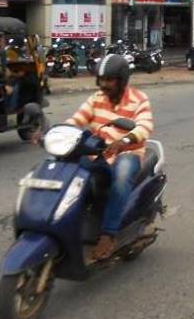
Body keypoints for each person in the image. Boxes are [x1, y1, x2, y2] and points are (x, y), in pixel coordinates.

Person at [66, 54, 154, 261]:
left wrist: (124, 141)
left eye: (109, 80)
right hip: (98, 153)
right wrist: (59, 133)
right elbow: (77, 119)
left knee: (122, 176)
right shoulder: (96, 99)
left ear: (122, 80)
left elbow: (144, 126)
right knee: (69, 172)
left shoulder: (139, 99)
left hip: (127, 153)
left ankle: (108, 234)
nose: (104, 84)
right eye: (101, 79)